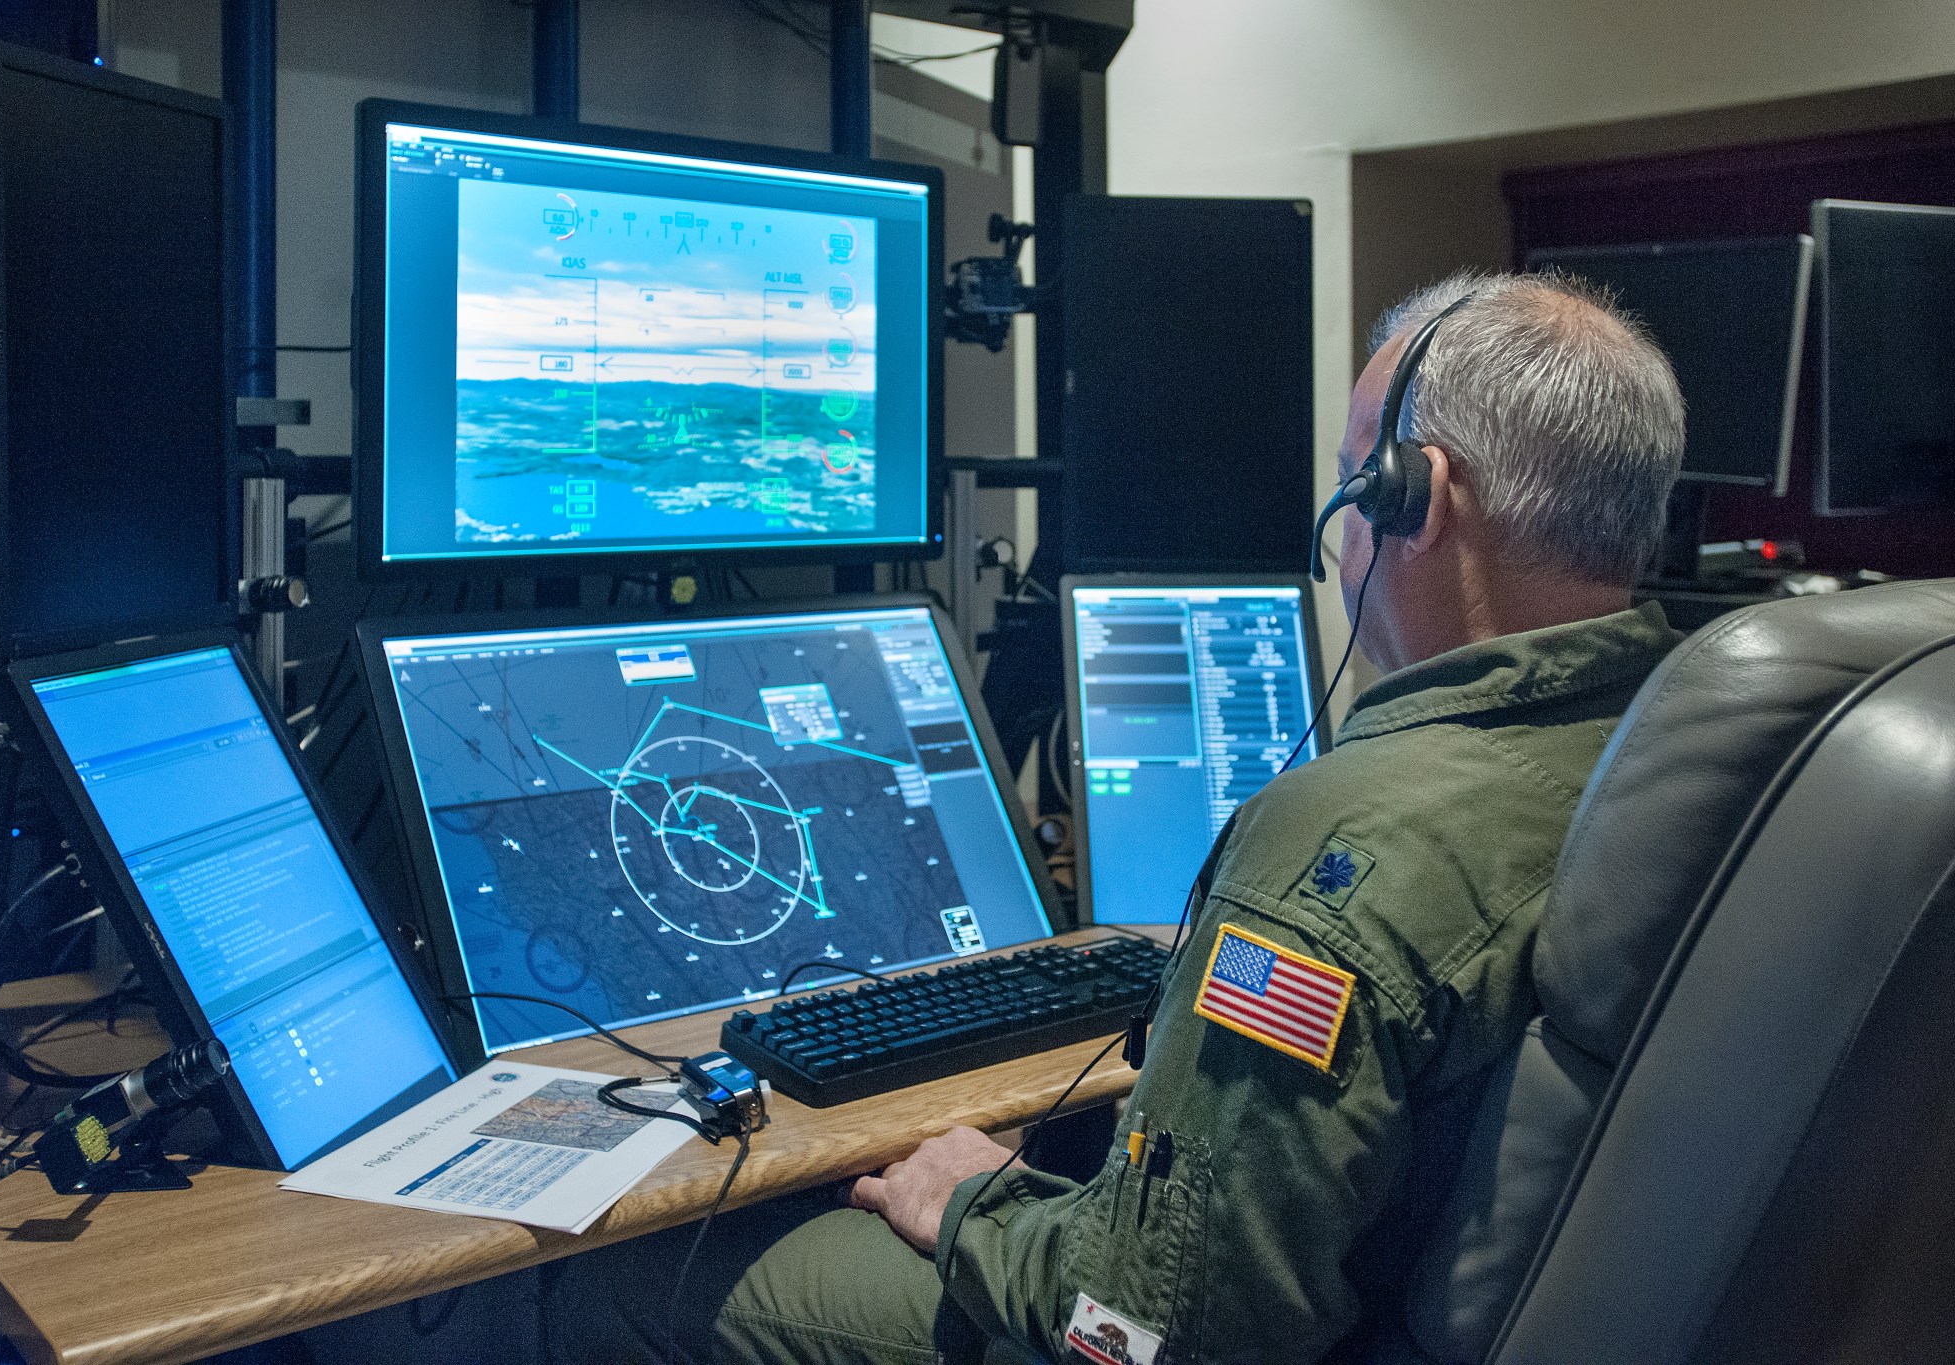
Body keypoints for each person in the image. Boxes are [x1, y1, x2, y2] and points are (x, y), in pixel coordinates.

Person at [303, 269, 1688, 1365]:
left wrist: (968, 1199)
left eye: (1350, 482)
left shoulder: (1341, 854)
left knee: (622, 1270)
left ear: (1418, 496)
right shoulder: (1684, 751)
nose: (1339, 536)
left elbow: (1157, 1331)